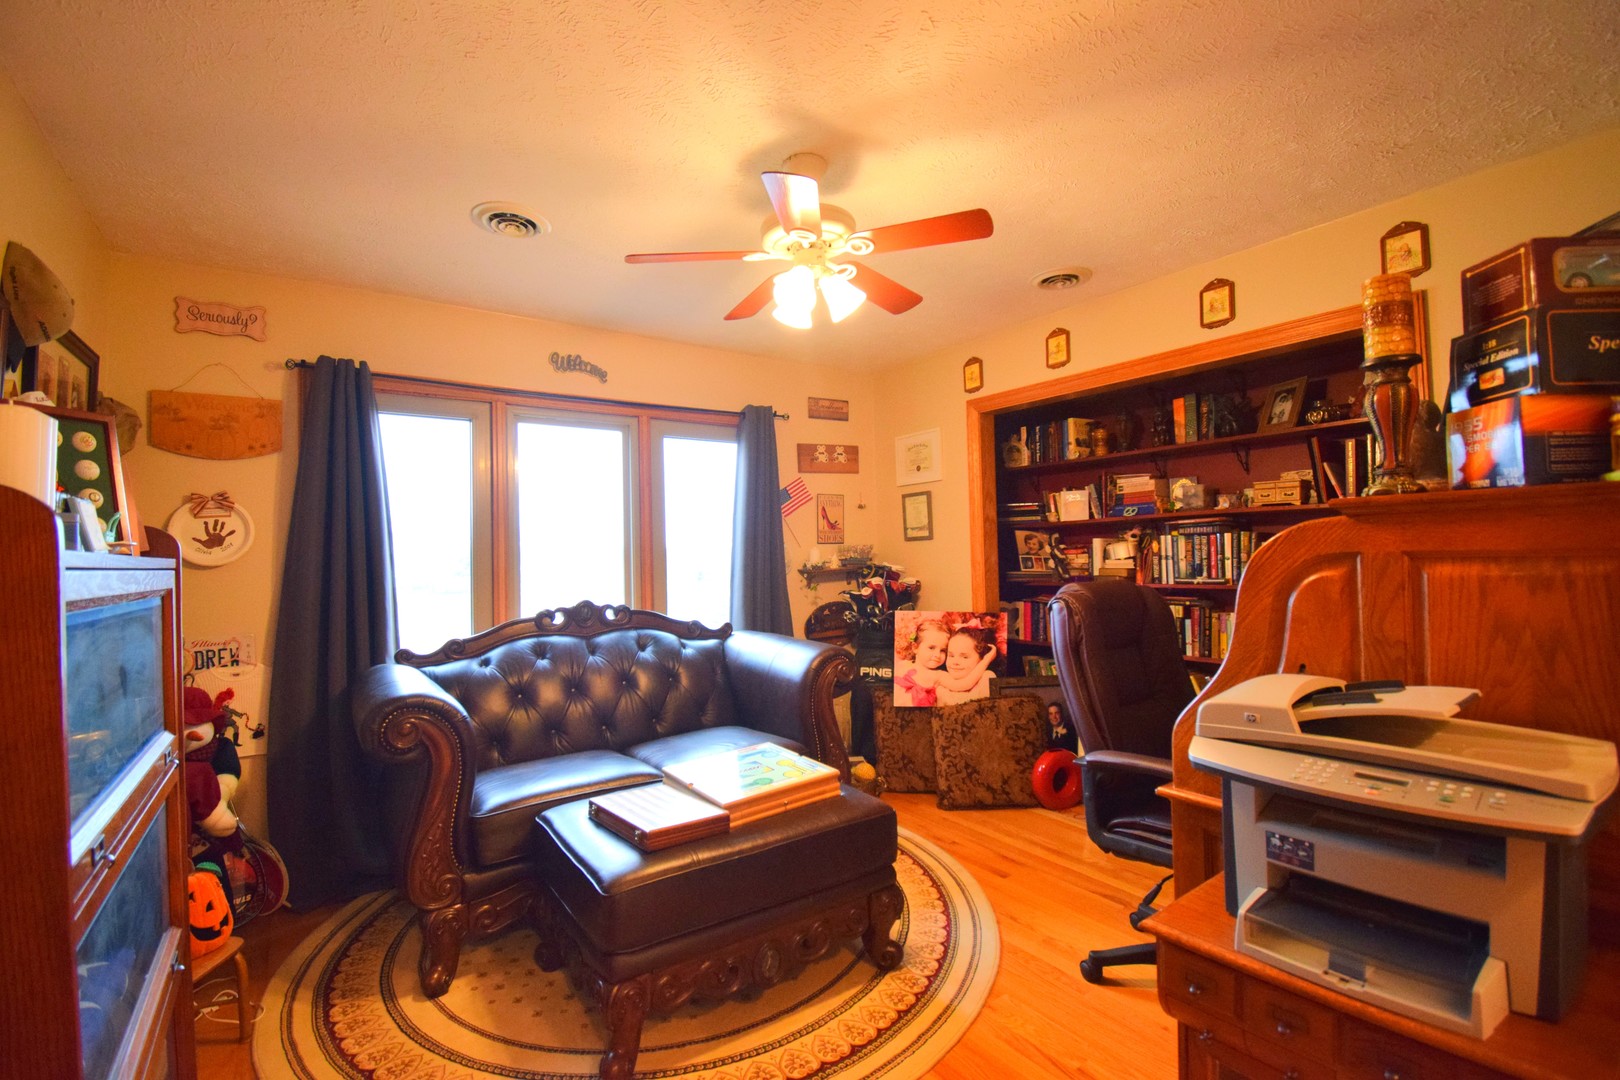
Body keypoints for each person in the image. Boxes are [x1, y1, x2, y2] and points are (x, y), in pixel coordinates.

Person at [893, 620, 996, 707]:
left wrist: (986, 660)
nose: (937, 654)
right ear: (915, 647)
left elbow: (966, 684)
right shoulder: (903, 665)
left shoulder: (939, 675)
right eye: (931, 648)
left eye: (943, 650)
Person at [933, 628, 999, 704]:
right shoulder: (941, 680)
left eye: (964, 657)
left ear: (981, 659)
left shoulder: (986, 677)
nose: (955, 662)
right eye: (951, 655)